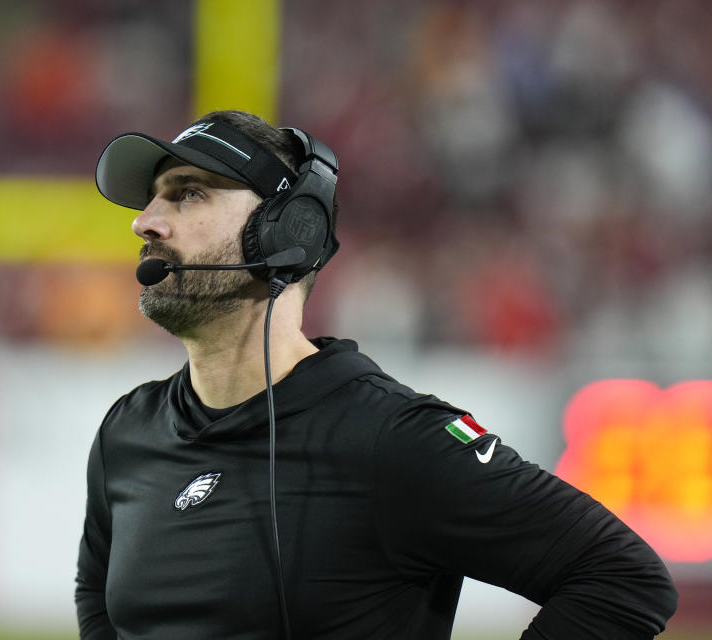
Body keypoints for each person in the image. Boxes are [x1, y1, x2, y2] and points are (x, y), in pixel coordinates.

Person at [75, 110, 677, 639]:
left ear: (289, 230)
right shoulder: (129, 432)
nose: (145, 222)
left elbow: (622, 579)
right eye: (152, 198)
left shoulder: (390, 437)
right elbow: (98, 603)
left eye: (188, 194)